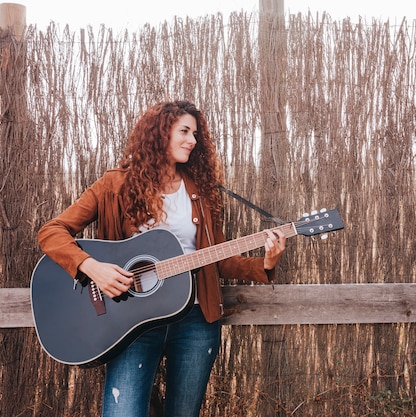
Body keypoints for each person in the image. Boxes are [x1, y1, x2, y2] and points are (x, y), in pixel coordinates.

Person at [37, 100, 287, 417]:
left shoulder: (203, 191)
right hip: (131, 321)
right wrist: (91, 267)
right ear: (159, 133)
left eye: (195, 134)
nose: (193, 140)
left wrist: (265, 265)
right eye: (184, 131)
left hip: (196, 320)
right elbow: (52, 231)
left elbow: (216, 258)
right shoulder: (114, 185)